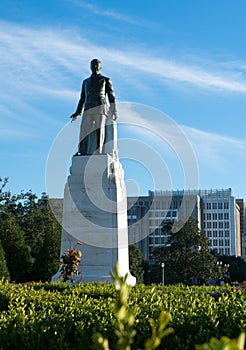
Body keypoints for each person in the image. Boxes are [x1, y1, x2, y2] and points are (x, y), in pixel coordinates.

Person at [70, 59, 117, 155]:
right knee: (84, 130)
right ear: (90, 67)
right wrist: (78, 112)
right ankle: (81, 151)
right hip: (88, 108)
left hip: (100, 108)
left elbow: (111, 97)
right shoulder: (86, 82)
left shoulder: (105, 80)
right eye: (93, 65)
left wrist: (114, 110)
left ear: (100, 67)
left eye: (97, 65)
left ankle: (99, 151)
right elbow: (82, 98)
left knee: (100, 130)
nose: (95, 67)